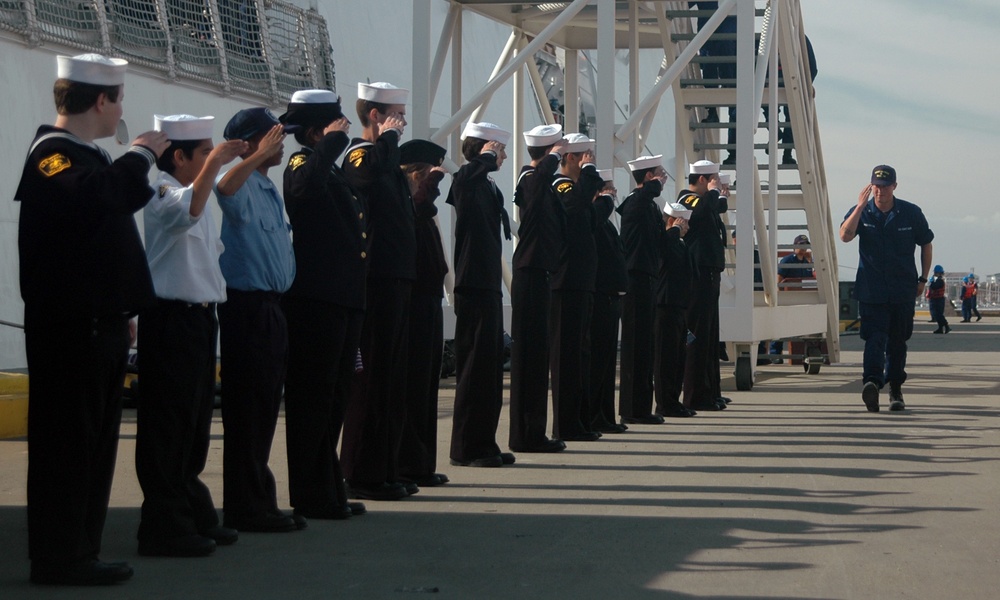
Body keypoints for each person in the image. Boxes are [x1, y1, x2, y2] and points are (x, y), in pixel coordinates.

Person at [16, 53, 169, 585]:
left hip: (98, 325)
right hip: (68, 332)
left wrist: (120, 306)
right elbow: (101, 200)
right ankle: (60, 556)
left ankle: (81, 548)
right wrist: (140, 154)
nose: (120, 107)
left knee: (95, 446)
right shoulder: (52, 157)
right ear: (100, 100)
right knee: (68, 446)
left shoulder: (88, 158)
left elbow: (99, 235)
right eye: (118, 97)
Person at [136, 114, 245, 557]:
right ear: (178, 157)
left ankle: (191, 510)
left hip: (199, 320)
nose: (209, 162)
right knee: (168, 425)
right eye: (202, 153)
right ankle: (163, 526)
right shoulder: (163, 191)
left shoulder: (190, 192)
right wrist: (217, 163)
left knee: (195, 422)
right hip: (170, 319)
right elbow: (189, 209)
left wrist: (214, 163)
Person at [278, 90, 368, 521]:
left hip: (341, 300)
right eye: (335, 127)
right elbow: (303, 187)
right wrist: (329, 145)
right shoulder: (303, 164)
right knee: (312, 400)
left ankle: (327, 485)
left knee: (333, 398)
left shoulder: (329, 171)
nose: (343, 133)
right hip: (316, 302)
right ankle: (310, 493)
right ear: (316, 131)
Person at [215, 107, 300, 532]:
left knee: (265, 409)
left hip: (272, 308)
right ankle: (245, 508)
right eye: (271, 137)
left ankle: (260, 500)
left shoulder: (266, 188)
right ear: (250, 143)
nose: (279, 144)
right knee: (247, 412)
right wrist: (249, 157)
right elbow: (224, 188)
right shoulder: (243, 182)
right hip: (246, 309)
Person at [339, 82, 415, 501]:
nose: (401, 123)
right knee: (373, 379)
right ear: (375, 115)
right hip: (377, 279)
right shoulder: (362, 155)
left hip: (397, 278)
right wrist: (385, 139)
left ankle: (385, 467)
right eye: (395, 115)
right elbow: (365, 177)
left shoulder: (388, 157)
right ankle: (362, 471)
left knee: (392, 378)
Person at [448, 121, 516, 467]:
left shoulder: (486, 184)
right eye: (499, 149)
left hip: (487, 283)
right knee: (474, 368)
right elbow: (461, 184)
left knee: (489, 370)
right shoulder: (467, 179)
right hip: (473, 283)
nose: (503, 156)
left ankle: (484, 441)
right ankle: (466, 447)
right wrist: (483, 160)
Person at [839, 165, 933, 412]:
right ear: (871, 186)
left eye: (885, 185)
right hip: (871, 291)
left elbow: (926, 243)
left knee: (898, 342)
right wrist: (860, 206)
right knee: (874, 338)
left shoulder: (911, 213)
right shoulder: (862, 212)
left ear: (895, 186)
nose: (880, 191)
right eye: (876, 186)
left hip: (902, 290)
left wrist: (923, 279)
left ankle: (895, 389)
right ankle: (871, 382)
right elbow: (845, 236)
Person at [508, 124, 568, 454]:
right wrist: (554, 156)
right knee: (527, 357)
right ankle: (523, 433)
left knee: (537, 359)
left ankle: (534, 432)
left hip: (542, 273)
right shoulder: (529, 179)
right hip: (529, 275)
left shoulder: (541, 184)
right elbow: (535, 182)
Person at [398, 139, 451, 483]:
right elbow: (413, 213)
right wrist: (426, 190)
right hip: (413, 304)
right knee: (412, 386)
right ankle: (409, 462)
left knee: (426, 387)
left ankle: (422, 463)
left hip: (429, 302)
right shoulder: (407, 204)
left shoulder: (420, 207)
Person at [548, 133, 606, 442]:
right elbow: (573, 208)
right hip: (566, 280)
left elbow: (591, 221)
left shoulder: (580, 189)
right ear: (571, 158)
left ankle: (579, 420)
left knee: (580, 353)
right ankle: (565, 424)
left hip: (582, 279)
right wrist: (587, 177)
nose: (590, 160)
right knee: (566, 355)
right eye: (585, 155)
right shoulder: (562, 185)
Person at [617, 154, 668, 425]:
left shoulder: (650, 207)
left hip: (649, 279)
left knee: (644, 346)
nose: (664, 178)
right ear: (648, 177)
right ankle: (631, 408)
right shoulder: (635, 203)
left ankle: (641, 406)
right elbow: (635, 203)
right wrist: (650, 188)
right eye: (659, 173)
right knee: (635, 346)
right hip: (634, 281)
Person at [679, 160, 729, 412]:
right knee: (698, 335)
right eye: (713, 179)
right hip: (697, 275)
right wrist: (712, 193)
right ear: (701, 180)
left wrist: (719, 195)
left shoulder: (705, 200)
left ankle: (710, 390)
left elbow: (715, 211)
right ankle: (695, 394)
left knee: (710, 336)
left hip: (710, 273)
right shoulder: (687, 199)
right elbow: (697, 214)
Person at [589, 169, 629, 434]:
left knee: (605, 364)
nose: (613, 194)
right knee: (596, 363)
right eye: (609, 189)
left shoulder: (606, 222)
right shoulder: (594, 219)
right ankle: (594, 415)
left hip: (612, 296)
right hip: (599, 295)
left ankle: (605, 415)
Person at [654, 202, 695, 418]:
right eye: (684, 222)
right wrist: (673, 230)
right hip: (665, 306)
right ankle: (664, 403)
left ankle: (674, 400)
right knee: (666, 359)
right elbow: (664, 249)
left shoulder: (680, 243)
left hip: (679, 306)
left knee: (678, 357)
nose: (687, 227)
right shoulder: (665, 240)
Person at [769, 233, 815, 359]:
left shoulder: (807, 263)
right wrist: (779, 296)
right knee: (781, 326)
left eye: (806, 245)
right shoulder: (787, 260)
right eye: (801, 245)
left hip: (802, 299)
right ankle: (775, 354)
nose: (804, 247)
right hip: (787, 298)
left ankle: (804, 353)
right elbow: (778, 279)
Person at [926, 265, 950, 334]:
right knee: (936, 314)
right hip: (935, 299)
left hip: (938, 300)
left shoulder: (940, 281)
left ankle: (946, 326)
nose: (934, 274)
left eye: (936, 273)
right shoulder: (936, 280)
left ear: (939, 273)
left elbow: (933, 286)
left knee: (938, 314)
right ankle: (940, 328)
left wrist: (932, 282)